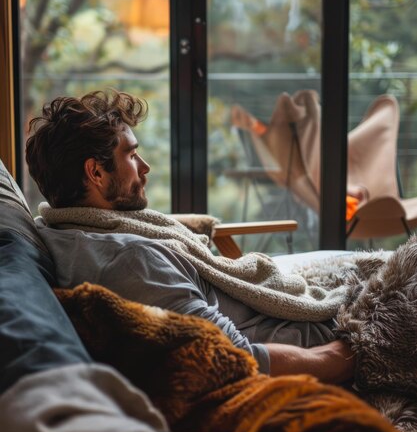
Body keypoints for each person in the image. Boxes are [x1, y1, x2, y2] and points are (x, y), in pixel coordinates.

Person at [26, 89, 355, 384]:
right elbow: (237, 356)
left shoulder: (60, 229)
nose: (145, 167)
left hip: (287, 310)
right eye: (130, 154)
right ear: (96, 173)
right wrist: (343, 355)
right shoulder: (129, 262)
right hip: (319, 339)